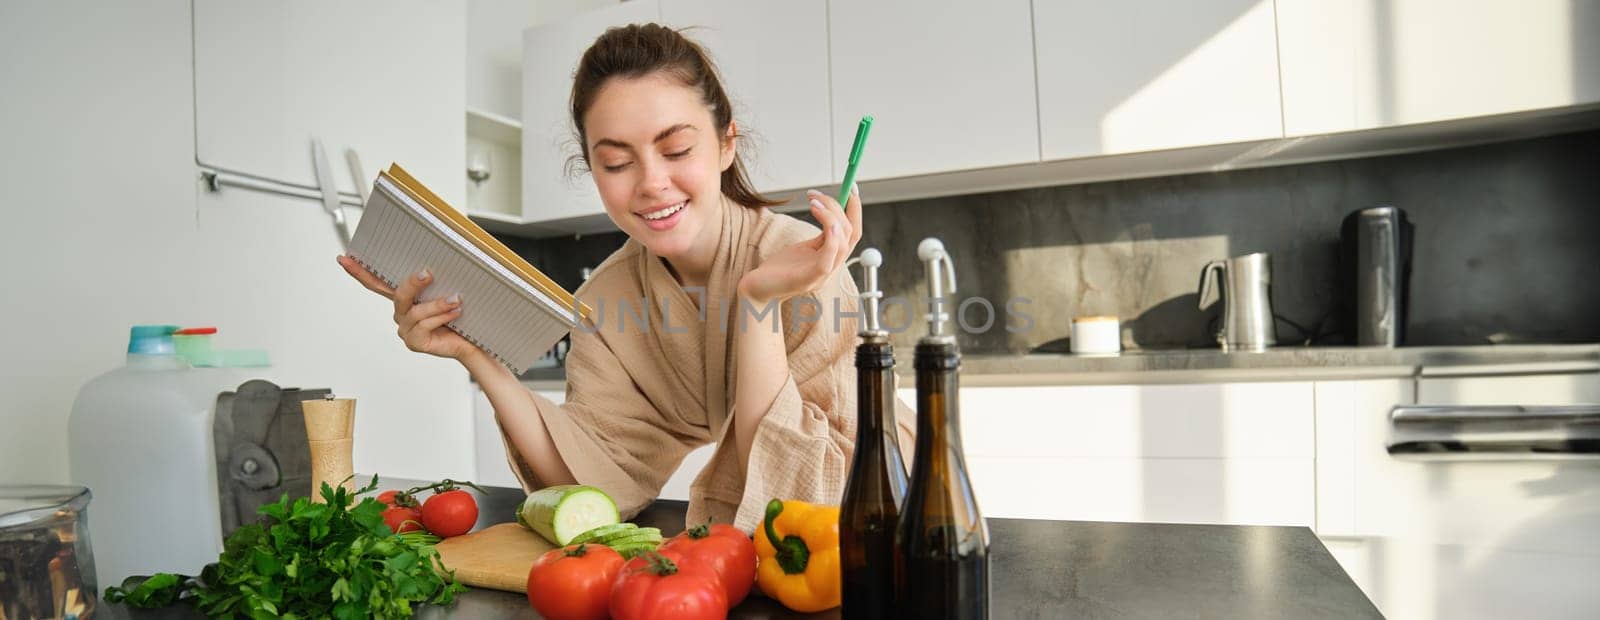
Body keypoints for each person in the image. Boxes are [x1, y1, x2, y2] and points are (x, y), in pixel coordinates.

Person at [338, 23, 914, 532]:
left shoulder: (799, 263)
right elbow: (595, 478)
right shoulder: (608, 298)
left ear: (725, 145)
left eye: (677, 148)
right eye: (616, 163)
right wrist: (475, 355)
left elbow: (808, 488)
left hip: (893, 507)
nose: (650, 182)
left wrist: (758, 299)